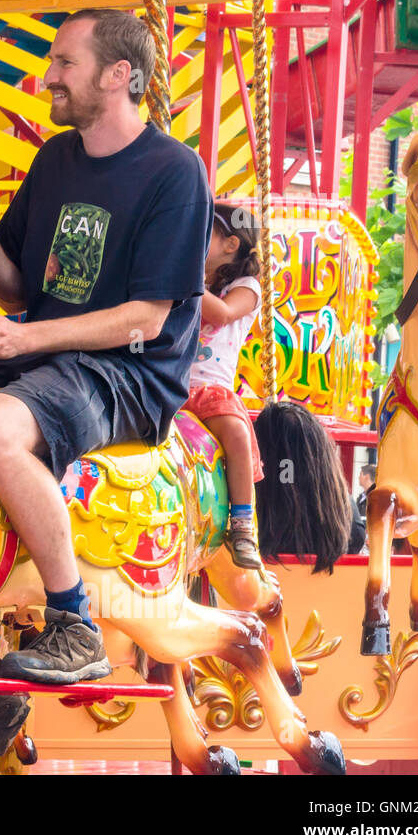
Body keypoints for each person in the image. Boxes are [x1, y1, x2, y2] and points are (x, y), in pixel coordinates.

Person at [0, 9, 212, 685]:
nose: (48, 79)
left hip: (125, 373)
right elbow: (15, 290)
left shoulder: (173, 171)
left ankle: (74, 625)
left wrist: (26, 336)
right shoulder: (54, 161)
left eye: (66, 63)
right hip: (43, 357)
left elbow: (147, 319)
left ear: (119, 74)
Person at [185, 203, 263, 568]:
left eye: (206, 232)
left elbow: (225, 313)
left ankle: (243, 523)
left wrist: (179, 276)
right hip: (171, 384)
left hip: (211, 388)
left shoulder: (245, 287)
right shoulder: (190, 279)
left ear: (231, 244)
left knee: (235, 432)